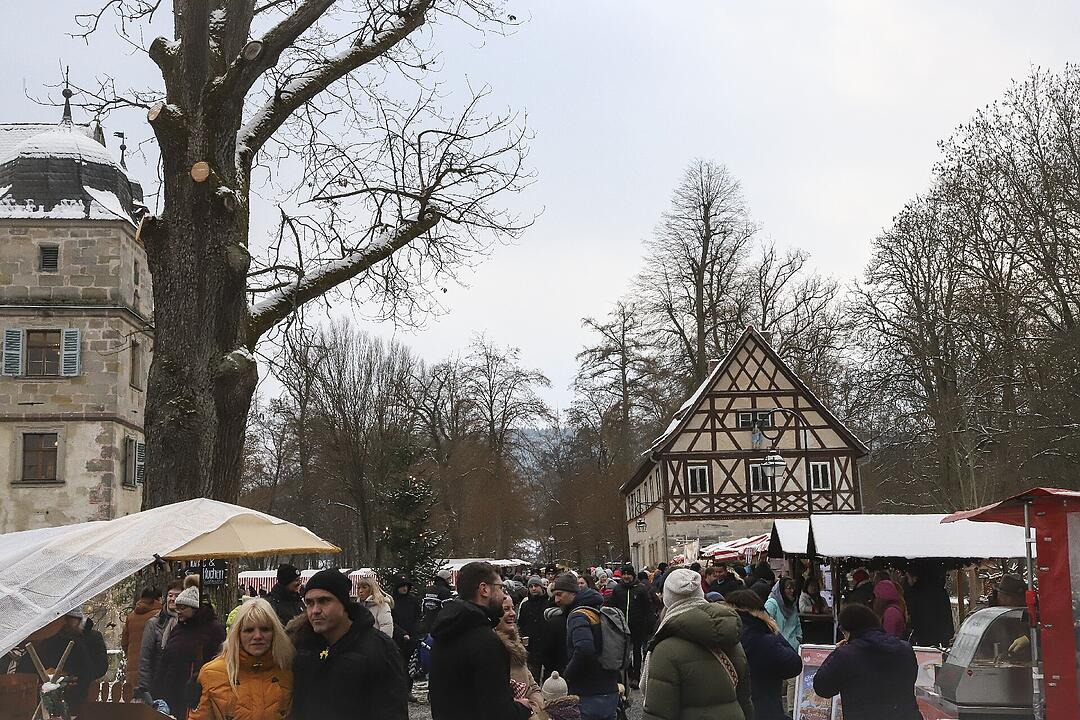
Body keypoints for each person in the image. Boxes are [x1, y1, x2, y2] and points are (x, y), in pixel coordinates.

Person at [291, 568, 408, 719]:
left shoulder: (378, 648)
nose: (315, 610)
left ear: (344, 604)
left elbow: (392, 709)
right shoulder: (302, 644)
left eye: (324, 601)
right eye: (309, 603)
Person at [640, 569, 752, 720]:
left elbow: (658, 713)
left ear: (667, 600)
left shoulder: (665, 650)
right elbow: (745, 700)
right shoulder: (730, 637)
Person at [428, 561, 533, 720]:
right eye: (500, 587)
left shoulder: (444, 632)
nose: (504, 595)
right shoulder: (485, 640)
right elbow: (498, 712)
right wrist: (522, 708)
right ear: (484, 589)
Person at [188, 597, 294, 720]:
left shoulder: (287, 670)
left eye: (265, 629)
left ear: (275, 632)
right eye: (249, 630)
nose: (258, 636)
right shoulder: (211, 674)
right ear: (237, 634)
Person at [813, 602, 921, 720]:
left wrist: (836, 653)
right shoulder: (905, 649)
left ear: (849, 631)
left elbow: (822, 687)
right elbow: (911, 678)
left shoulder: (845, 655)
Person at [726, 589, 802, 720]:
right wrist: (774, 631)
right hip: (765, 708)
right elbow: (794, 665)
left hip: (731, 709)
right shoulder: (762, 639)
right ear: (759, 611)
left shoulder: (721, 636)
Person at [151, 586, 226, 719]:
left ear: (195, 608)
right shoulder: (177, 629)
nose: (178, 611)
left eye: (183, 608)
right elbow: (165, 661)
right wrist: (157, 691)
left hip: (197, 695)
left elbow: (219, 662)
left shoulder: (214, 630)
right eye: (177, 607)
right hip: (171, 694)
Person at [552, 573, 619, 720]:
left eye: (559, 594)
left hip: (588, 692)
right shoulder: (595, 608)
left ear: (572, 592)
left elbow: (585, 649)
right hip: (609, 687)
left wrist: (567, 676)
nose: (556, 600)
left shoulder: (578, 615)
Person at [18, 607, 109, 713]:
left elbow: (93, 669)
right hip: (48, 697)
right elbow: (28, 669)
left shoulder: (77, 643)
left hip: (70, 697)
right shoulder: (47, 640)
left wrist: (71, 677)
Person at [496, 594, 548, 718]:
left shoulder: (516, 645)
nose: (513, 613)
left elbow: (534, 687)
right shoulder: (494, 649)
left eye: (513, 608)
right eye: (506, 609)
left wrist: (532, 706)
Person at [605, 563, 655, 688]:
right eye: (624, 574)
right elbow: (612, 605)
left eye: (628, 574)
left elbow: (648, 607)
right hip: (622, 627)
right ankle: (630, 673)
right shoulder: (618, 589)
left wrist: (649, 624)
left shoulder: (641, 589)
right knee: (625, 653)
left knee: (637, 652)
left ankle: (637, 677)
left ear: (633, 575)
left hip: (638, 626)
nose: (626, 576)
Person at [135, 579, 184, 704]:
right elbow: (145, 658)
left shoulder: (187, 623)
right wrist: (145, 689)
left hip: (180, 686)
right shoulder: (154, 624)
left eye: (177, 596)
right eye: (170, 595)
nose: (172, 599)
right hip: (158, 685)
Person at [764, 577, 802, 713]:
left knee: (793, 680)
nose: (791, 591)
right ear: (781, 589)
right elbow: (765, 622)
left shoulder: (792, 604)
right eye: (788, 588)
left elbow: (797, 624)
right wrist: (773, 639)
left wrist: (798, 637)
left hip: (792, 647)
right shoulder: (772, 603)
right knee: (781, 680)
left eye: (793, 588)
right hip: (777, 647)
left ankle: (791, 709)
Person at [121, 586, 162, 700]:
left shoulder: (131, 616)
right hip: (151, 668)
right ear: (158, 598)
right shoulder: (159, 616)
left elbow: (124, 642)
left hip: (132, 669)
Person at [903, 563, 954, 646]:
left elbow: (913, 616)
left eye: (908, 577)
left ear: (914, 577)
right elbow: (946, 614)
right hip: (940, 637)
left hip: (922, 637)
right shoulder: (940, 591)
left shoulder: (914, 592)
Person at [518, 576, 553, 682]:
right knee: (533, 678)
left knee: (549, 677)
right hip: (531, 647)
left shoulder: (549, 603)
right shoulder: (525, 605)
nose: (533, 588)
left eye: (536, 586)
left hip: (548, 645)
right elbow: (521, 623)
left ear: (541, 587)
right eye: (531, 586)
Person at [418, 568, 455, 638]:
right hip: (440, 625)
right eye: (449, 579)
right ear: (445, 579)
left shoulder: (428, 589)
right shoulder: (445, 591)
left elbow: (422, 607)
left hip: (426, 624)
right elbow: (449, 610)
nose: (450, 581)